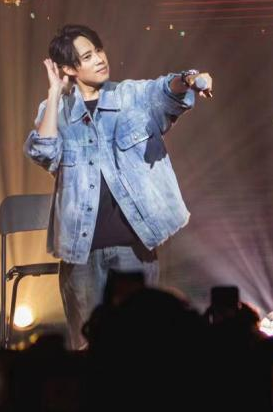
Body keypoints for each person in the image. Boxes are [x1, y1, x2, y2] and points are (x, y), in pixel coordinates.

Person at [22, 24, 213, 350]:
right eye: (87, 56)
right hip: (80, 253)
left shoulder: (131, 96)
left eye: (98, 50)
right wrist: (54, 93)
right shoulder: (54, 111)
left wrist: (189, 78)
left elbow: (166, 90)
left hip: (132, 248)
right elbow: (43, 152)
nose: (99, 59)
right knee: (87, 347)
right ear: (69, 68)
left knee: (141, 346)